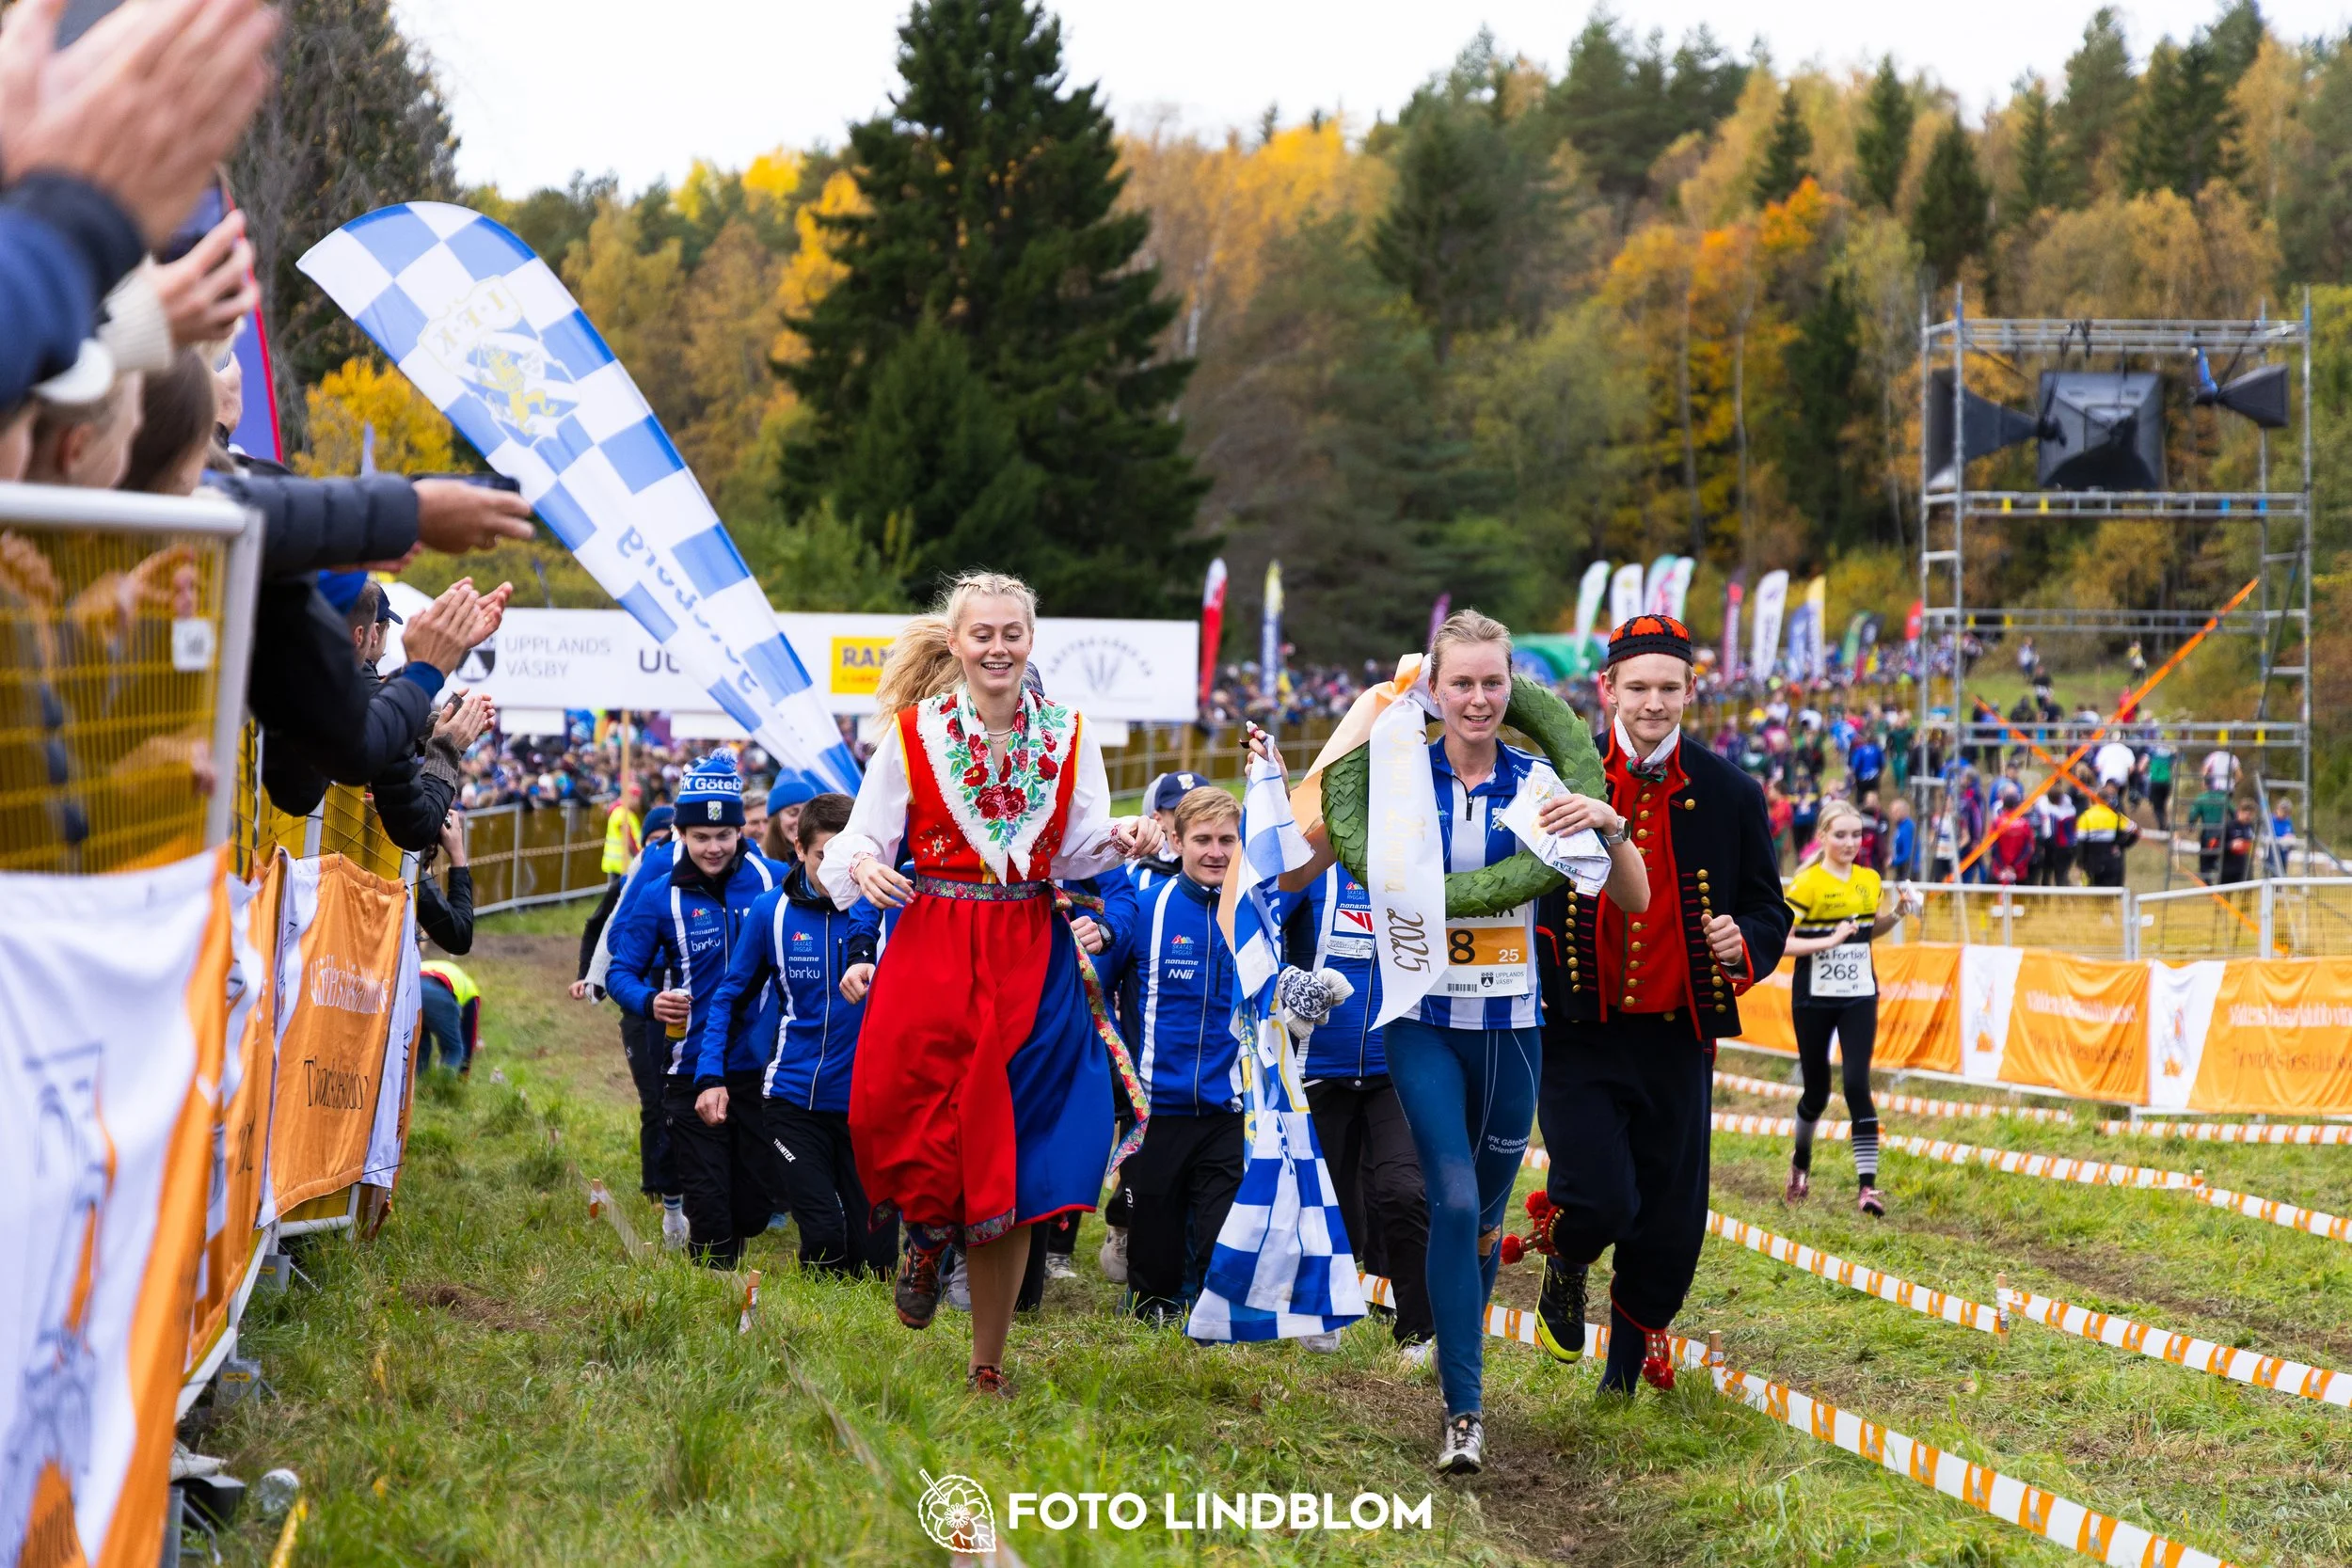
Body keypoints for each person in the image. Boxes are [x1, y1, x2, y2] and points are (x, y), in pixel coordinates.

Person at [1263, 609, 1647, 1476]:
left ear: (1514, 689)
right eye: (1461, 682)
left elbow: (1639, 899)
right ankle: (1464, 1412)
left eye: (1491, 682)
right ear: (1431, 690)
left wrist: (1611, 824)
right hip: (1420, 1022)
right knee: (1453, 1197)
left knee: (1483, 1218)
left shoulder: (1540, 780)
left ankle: (1456, 1356)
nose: (1477, 698)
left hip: (1512, 1030)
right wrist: (1327, 764)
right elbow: (1291, 870)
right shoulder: (1397, 777)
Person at [820, 572, 1162, 1398]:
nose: (999, 646)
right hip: (936, 937)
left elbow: (1076, 851)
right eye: (983, 634)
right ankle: (927, 1230)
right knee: (900, 1109)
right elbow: (860, 836)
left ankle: (988, 1362)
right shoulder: (912, 733)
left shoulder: (1071, 734)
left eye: (1013, 632)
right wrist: (866, 864)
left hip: (1028, 949)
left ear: (1030, 641)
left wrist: (1128, 837)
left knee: (1025, 1150)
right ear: (956, 644)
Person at [1530, 613, 1791, 1403]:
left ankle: (1618, 1387)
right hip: (1578, 1028)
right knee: (1602, 1193)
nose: (1652, 702)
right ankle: (1568, 1258)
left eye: (1668, 688)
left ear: (1689, 691)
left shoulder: (1732, 792)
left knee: (1672, 1222)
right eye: (1637, 686)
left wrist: (1739, 937)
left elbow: (1769, 909)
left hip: (1679, 1036)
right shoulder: (1555, 776)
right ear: (1607, 687)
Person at [697, 792, 896, 1278]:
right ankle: (812, 1332)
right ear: (799, 849)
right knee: (826, 1240)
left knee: (877, 1262)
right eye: (824, 857)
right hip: (793, 1102)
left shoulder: (888, 910)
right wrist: (708, 1075)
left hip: (869, 1107)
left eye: (848, 859)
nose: (836, 871)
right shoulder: (771, 912)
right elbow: (729, 997)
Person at [607, 752, 785, 1269]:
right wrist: (649, 1000)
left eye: (724, 836)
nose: (713, 848)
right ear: (681, 834)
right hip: (687, 1067)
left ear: (739, 833)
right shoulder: (661, 894)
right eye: (701, 837)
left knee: (754, 1205)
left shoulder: (773, 878)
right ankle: (710, 1304)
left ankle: (728, 1242)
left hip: (760, 1066)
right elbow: (622, 970)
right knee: (709, 1208)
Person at [1284, 858, 1435, 1361]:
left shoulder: (1418, 861)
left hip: (1397, 1067)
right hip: (1320, 1065)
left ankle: (1419, 1331)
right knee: (1329, 1200)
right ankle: (1323, 1306)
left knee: (1404, 1191)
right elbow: (1256, 930)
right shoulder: (1314, 865)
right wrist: (1287, 982)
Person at [1113, 787, 1250, 1326]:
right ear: (1174, 841)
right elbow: (1097, 990)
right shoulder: (1146, 907)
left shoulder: (1257, 912)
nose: (1215, 851)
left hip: (1227, 1109)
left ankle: (1214, 1326)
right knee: (1155, 1257)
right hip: (1156, 1110)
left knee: (1220, 1238)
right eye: (1202, 840)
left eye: (1227, 840)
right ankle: (1152, 1316)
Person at [1779, 801, 1915, 1216]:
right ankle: (1801, 1164)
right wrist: (1828, 941)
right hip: (1813, 997)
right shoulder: (1806, 884)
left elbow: (1867, 930)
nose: (1850, 843)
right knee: (1817, 1092)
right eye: (1840, 835)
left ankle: (1868, 1188)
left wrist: (1898, 913)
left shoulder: (1869, 879)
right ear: (1822, 837)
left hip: (1859, 993)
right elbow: (1782, 944)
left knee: (1857, 1084)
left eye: (1857, 835)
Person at [576, 803, 682, 1243]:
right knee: (653, 1095)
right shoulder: (647, 871)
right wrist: (593, 977)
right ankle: (657, 1185)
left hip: (676, 989)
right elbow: (604, 925)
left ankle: (680, 1186)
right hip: (643, 989)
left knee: (676, 1094)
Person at [1125, 770, 1200, 893]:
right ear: (1158, 819)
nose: (1194, 819)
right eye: (1180, 812)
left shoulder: (1236, 870)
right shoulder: (1137, 880)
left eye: (1201, 810)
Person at [417, 958, 480, 1074]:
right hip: (437, 992)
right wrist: (464, 1071)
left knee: (420, 1050)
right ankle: (444, 1088)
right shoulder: (471, 990)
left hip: (410, 991)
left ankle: (417, 1089)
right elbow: (469, 1033)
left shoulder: (427, 964)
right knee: (454, 1050)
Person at [2076, 784, 2141, 888]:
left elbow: (2080, 843)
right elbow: (2136, 831)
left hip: (2091, 864)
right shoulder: (2116, 816)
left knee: (2093, 895)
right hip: (2111, 863)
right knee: (2108, 898)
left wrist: (2080, 863)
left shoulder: (2085, 817)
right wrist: (2122, 845)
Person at [2219, 800, 2259, 885]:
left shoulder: (2251, 827)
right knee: (2225, 895)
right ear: (2238, 812)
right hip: (2229, 870)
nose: (2247, 816)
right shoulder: (2229, 826)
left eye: (2250, 814)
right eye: (2245, 813)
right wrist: (2231, 845)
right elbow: (2217, 846)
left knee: (2247, 895)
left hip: (2245, 869)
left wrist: (2253, 851)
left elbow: (2251, 843)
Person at [2146, 741, 2175, 832]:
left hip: (2155, 782)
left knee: (2157, 807)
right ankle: (2166, 824)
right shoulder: (2169, 755)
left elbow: (2143, 764)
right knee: (2163, 805)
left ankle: (2163, 825)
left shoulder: (2153, 753)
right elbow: (2174, 766)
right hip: (2166, 782)